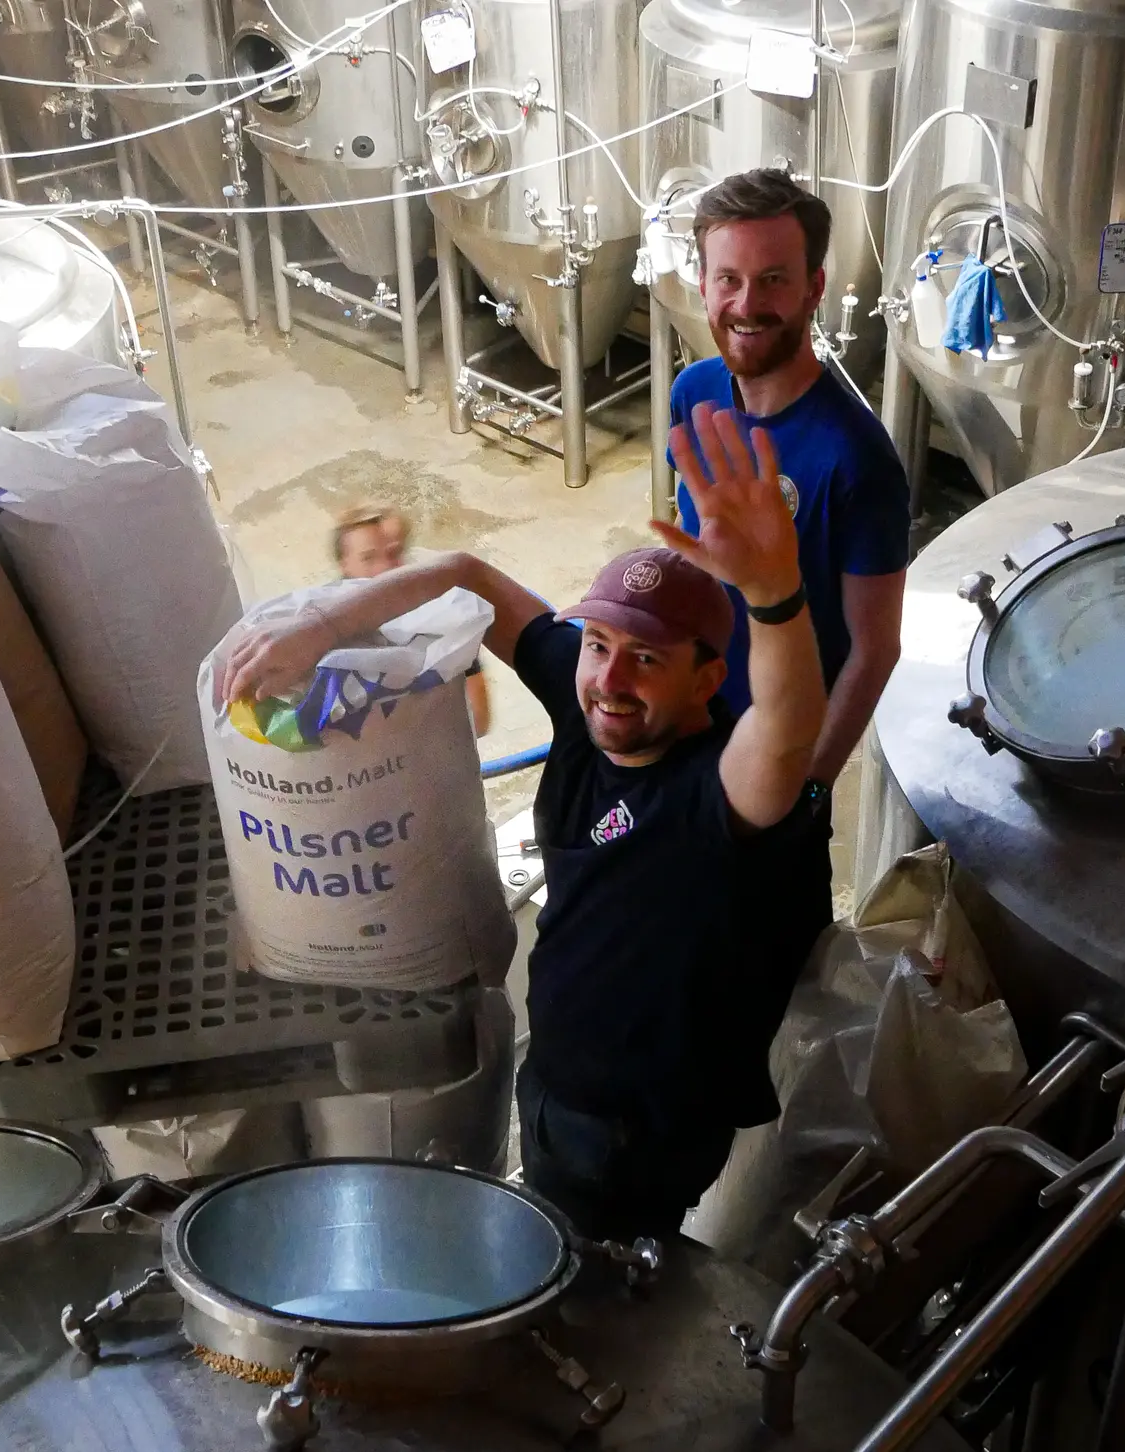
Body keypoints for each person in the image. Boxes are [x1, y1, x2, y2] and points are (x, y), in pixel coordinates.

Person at [224, 404, 831, 1240]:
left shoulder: (713, 792)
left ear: (705, 680)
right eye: (599, 643)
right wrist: (326, 624)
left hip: (633, 1138)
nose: (609, 679)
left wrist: (775, 597)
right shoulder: (588, 709)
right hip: (555, 1083)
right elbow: (468, 574)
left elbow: (789, 731)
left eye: (646, 659)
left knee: (593, 1282)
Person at [671, 168, 909, 796]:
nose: (746, 305)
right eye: (728, 279)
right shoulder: (692, 393)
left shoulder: (857, 458)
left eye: (773, 279)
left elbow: (875, 651)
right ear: (703, 283)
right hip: (684, 724)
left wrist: (808, 788)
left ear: (814, 288)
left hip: (776, 753)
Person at [333, 503, 491, 737]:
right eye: (368, 558)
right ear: (344, 564)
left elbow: (479, 719)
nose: (385, 568)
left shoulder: (442, 618)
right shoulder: (323, 629)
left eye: (393, 553)